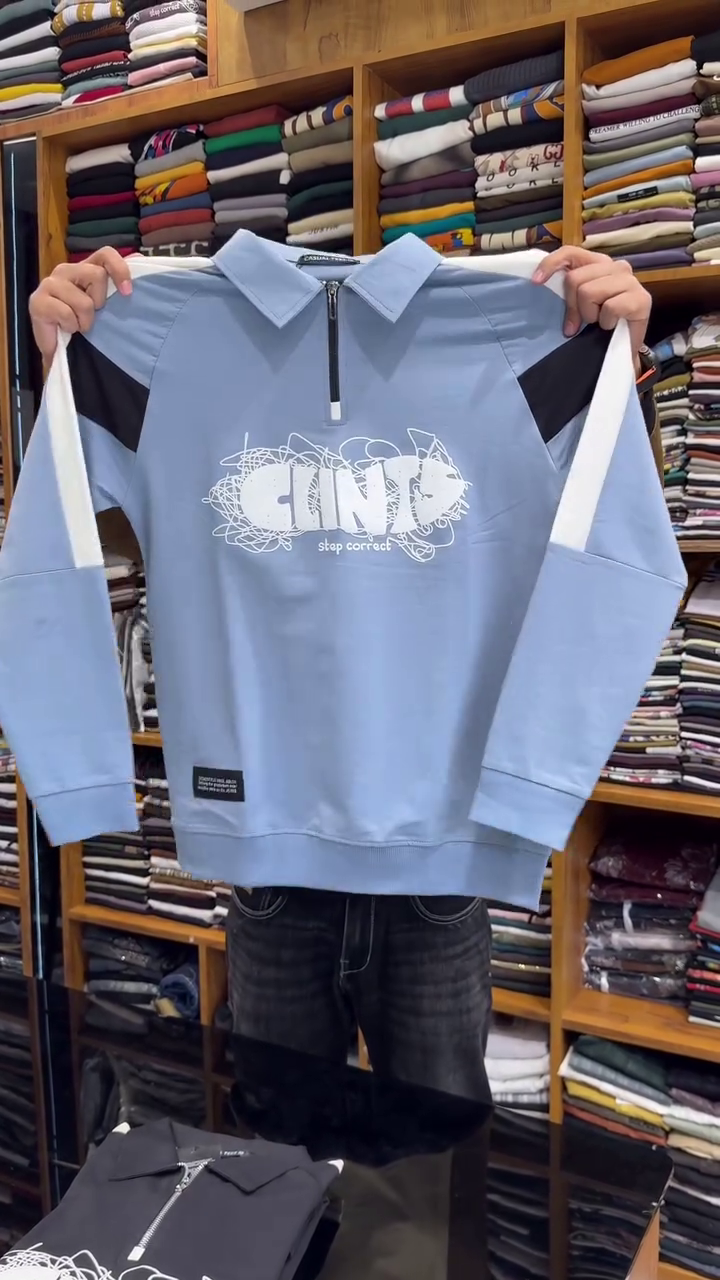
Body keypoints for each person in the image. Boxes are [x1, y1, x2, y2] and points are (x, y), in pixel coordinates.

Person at [29, 243, 660, 1099]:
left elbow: (624, 550)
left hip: (441, 864)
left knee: (431, 1168)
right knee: (278, 1168)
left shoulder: (527, 331)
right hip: (268, 862)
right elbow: (51, 553)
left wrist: (620, 361)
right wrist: (62, 367)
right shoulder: (150, 333)